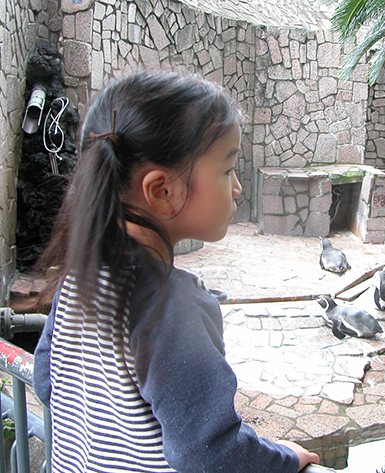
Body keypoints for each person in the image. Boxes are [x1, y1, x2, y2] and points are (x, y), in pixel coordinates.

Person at [33, 71, 320, 472]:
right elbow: (210, 452)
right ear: (162, 191)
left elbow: (48, 382)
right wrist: (284, 457)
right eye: (226, 169)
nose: (237, 187)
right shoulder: (170, 309)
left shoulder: (80, 280)